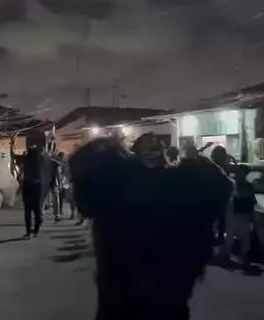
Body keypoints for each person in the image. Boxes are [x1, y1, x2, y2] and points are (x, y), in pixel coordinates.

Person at [71, 133, 230, 320]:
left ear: (163, 153)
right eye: (146, 148)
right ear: (133, 153)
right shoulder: (116, 183)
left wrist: (197, 162)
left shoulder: (179, 182)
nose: (152, 153)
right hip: (123, 291)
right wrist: (109, 147)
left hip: (166, 291)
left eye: (156, 148)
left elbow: (221, 188)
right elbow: (87, 189)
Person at [21, 142, 49, 238]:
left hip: (27, 184)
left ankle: (28, 232)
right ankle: (36, 230)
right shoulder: (40, 159)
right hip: (37, 185)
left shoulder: (26, 159)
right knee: (37, 209)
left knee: (27, 210)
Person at [210, 146, 232, 246]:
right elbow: (228, 183)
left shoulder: (212, 166)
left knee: (217, 220)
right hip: (219, 199)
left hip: (214, 199)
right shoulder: (219, 168)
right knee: (220, 220)